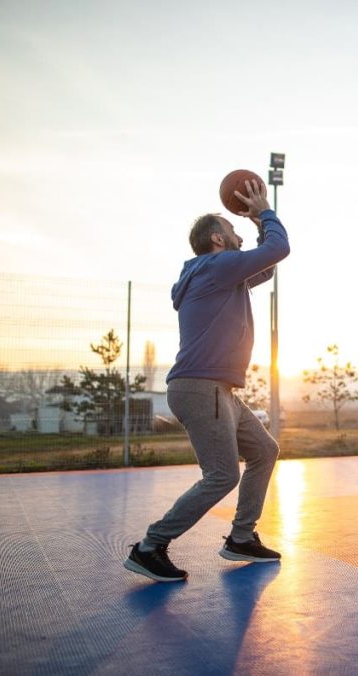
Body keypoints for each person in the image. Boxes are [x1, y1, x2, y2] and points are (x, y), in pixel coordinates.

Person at [124, 179, 290, 582]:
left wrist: (253, 224)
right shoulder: (216, 267)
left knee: (264, 450)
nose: (237, 234)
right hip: (202, 387)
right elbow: (279, 248)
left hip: (217, 389)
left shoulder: (217, 275)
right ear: (217, 239)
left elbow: (265, 268)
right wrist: (264, 211)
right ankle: (150, 547)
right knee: (222, 475)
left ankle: (241, 537)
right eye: (230, 230)